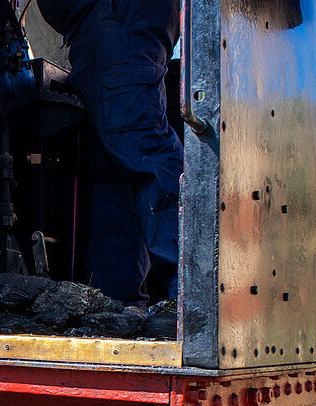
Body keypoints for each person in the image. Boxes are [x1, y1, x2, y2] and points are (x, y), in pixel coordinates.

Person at [36, 0, 183, 336]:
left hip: (118, 17)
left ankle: (190, 293)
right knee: (114, 170)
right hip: (103, 25)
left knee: (144, 145)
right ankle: (120, 299)